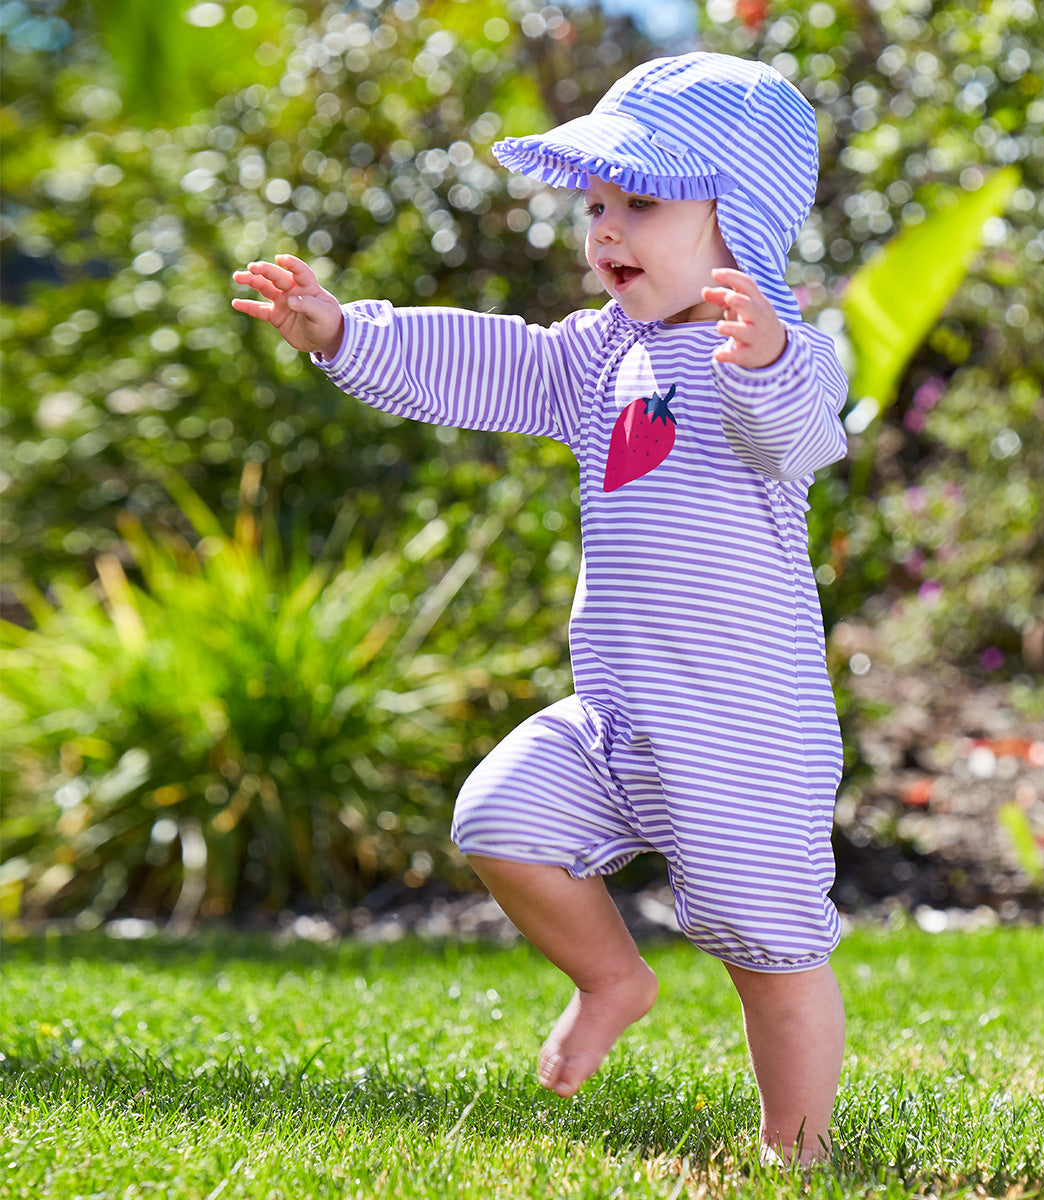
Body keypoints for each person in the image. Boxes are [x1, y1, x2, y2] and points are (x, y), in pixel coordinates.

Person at [232, 51, 849, 1167]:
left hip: (743, 730)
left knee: (770, 948)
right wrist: (346, 334)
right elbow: (492, 359)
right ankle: (613, 978)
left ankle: (796, 1155)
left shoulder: (777, 355)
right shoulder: (598, 354)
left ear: (738, 217)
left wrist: (761, 358)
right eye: (597, 203)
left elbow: (798, 434)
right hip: (618, 715)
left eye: (642, 202)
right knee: (500, 815)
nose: (606, 230)